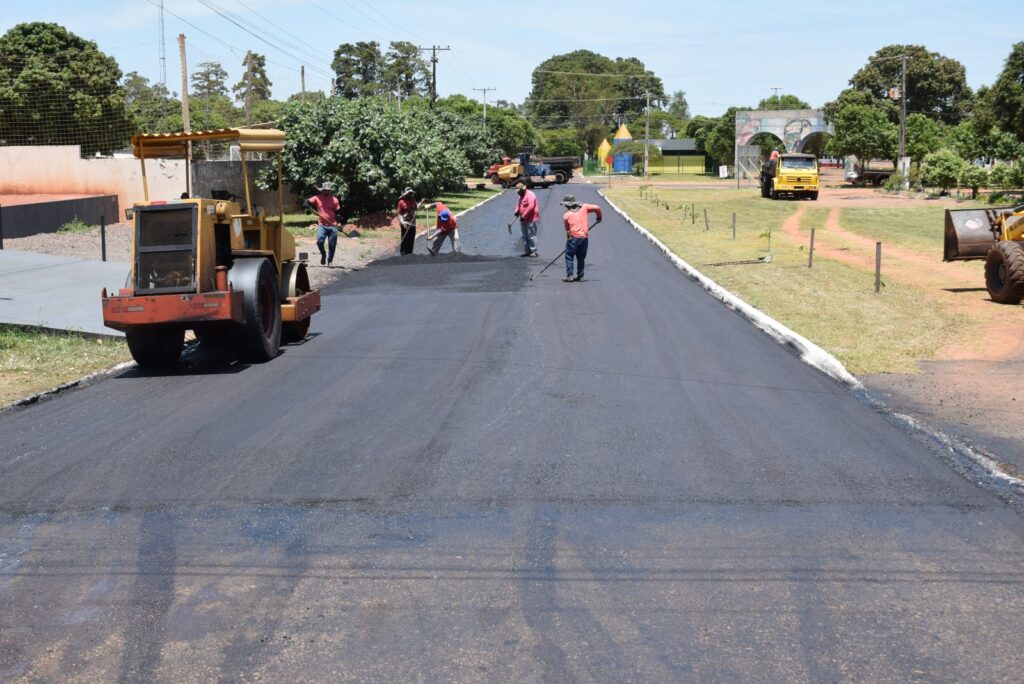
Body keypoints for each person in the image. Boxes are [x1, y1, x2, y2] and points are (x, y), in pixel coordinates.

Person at [561, 195, 602, 282]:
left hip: (574, 238)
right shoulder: (584, 207)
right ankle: (580, 276)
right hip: (584, 238)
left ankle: (570, 275)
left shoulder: (566, 215)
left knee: (569, 256)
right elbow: (597, 207)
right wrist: (599, 217)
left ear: (568, 205)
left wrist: (569, 242)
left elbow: (568, 231)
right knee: (581, 257)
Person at [308, 181, 343, 266]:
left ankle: (330, 260)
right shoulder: (317, 198)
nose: (326, 192)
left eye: (328, 190)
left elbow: (338, 213)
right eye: (324, 190)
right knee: (319, 241)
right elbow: (307, 202)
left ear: (330, 191)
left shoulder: (334, 200)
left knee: (332, 244)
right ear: (322, 191)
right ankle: (323, 254)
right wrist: (306, 204)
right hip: (322, 225)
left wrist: (339, 224)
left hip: (333, 225)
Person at [514, 182, 540, 257]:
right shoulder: (521, 195)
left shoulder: (530, 195)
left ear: (523, 189)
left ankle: (534, 251)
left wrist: (524, 216)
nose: (518, 192)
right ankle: (527, 251)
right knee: (524, 235)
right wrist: (517, 211)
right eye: (517, 191)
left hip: (531, 218)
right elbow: (518, 204)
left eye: (519, 191)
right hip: (523, 218)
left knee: (531, 235)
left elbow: (531, 207)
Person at [397, 187, 418, 256]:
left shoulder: (413, 200)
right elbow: (399, 213)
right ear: (406, 194)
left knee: (411, 237)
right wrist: (402, 222)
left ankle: (410, 252)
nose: (411, 195)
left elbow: (416, 208)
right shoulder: (401, 202)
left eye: (411, 193)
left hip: (412, 222)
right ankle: (403, 252)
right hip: (405, 222)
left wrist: (420, 204)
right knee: (405, 237)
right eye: (409, 193)